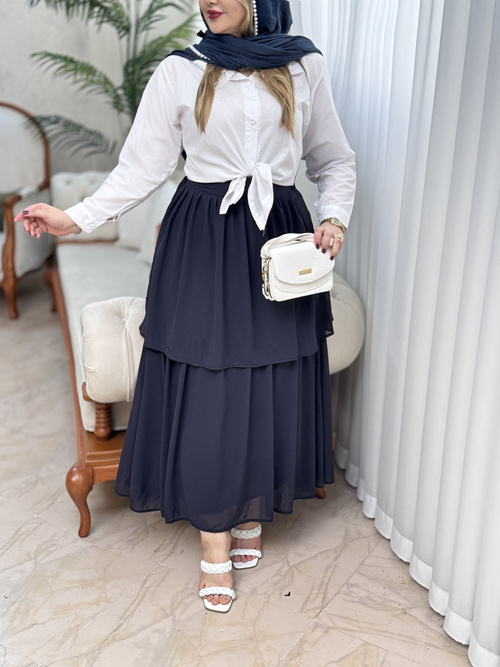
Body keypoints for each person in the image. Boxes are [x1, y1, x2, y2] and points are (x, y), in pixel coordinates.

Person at [16, 0, 356, 613]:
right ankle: (214, 539)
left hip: (279, 236)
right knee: (209, 383)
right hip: (204, 237)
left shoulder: (302, 65)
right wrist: (75, 218)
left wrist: (333, 217)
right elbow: (139, 168)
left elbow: (333, 159)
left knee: (268, 376)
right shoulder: (181, 68)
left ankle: (250, 507)